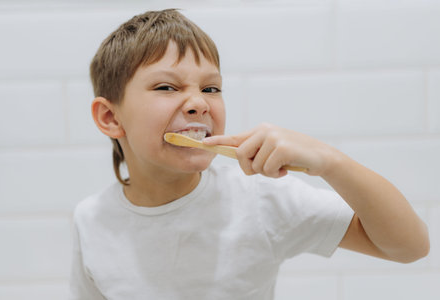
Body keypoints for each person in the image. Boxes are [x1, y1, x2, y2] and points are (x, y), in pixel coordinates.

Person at [69, 9, 429, 300]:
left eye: (211, 88)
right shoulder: (91, 220)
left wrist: (329, 161)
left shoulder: (260, 198)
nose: (198, 103)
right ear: (111, 117)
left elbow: (409, 246)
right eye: (167, 86)